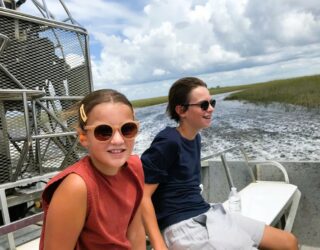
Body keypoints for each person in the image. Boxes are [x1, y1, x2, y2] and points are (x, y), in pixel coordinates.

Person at [141, 77, 298, 250]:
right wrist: (158, 245)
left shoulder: (195, 138)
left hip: (207, 211)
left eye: (212, 102)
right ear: (181, 110)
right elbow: (142, 195)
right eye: (203, 105)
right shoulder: (168, 141)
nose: (211, 109)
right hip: (183, 224)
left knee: (288, 242)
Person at [40, 89, 146, 250]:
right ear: (83, 137)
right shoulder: (76, 187)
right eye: (103, 132)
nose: (118, 140)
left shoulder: (135, 167)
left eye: (127, 129)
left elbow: (135, 231)